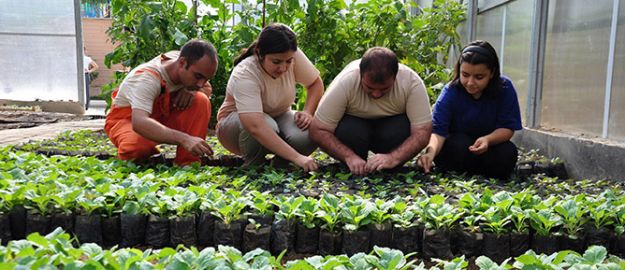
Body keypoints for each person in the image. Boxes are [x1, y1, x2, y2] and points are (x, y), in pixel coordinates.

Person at [216, 23, 324, 172]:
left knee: (309, 130)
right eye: (276, 62)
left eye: (288, 61)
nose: (283, 68)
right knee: (267, 125)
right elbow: (255, 126)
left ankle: (281, 165)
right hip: (235, 127)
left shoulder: (292, 54)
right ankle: (254, 165)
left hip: (279, 116)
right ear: (260, 54)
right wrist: (297, 157)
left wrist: (307, 112)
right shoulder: (245, 73)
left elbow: (315, 84)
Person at [309, 47, 432, 176]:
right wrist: (348, 156)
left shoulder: (411, 82)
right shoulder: (346, 81)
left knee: (400, 129)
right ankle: (356, 161)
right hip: (355, 130)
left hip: (391, 132)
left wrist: (394, 157)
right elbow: (318, 130)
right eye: (369, 87)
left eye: (384, 89)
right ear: (360, 75)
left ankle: (388, 164)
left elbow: (423, 131)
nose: (376, 94)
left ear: (396, 77)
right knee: (349, 130)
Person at [417, 40, 522, 179]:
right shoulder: (451, 92)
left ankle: (478, 170)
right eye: (465, 75)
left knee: (507, 152)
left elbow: (507, 128)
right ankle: (475, 171)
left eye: (479, 77)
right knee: (459, 145)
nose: (470, 83)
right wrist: (430, 153)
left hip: (489, 146)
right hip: (458, 148)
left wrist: (487, 140)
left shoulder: (504, 88)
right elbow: (438, 131)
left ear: (492, 73)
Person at [104, 39, 217, 166]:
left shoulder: (184, 62)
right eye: (198, 77)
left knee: (200, 100)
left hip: (162, 114)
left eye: (205, 78)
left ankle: (188, 162)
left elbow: (207, 88)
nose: (201, 84)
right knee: (136, 149)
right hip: (129, 119)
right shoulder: (147, 78)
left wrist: (191, 91)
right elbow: (140, 123)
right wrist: (185, 139)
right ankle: (149, 152)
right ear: (182, 63)